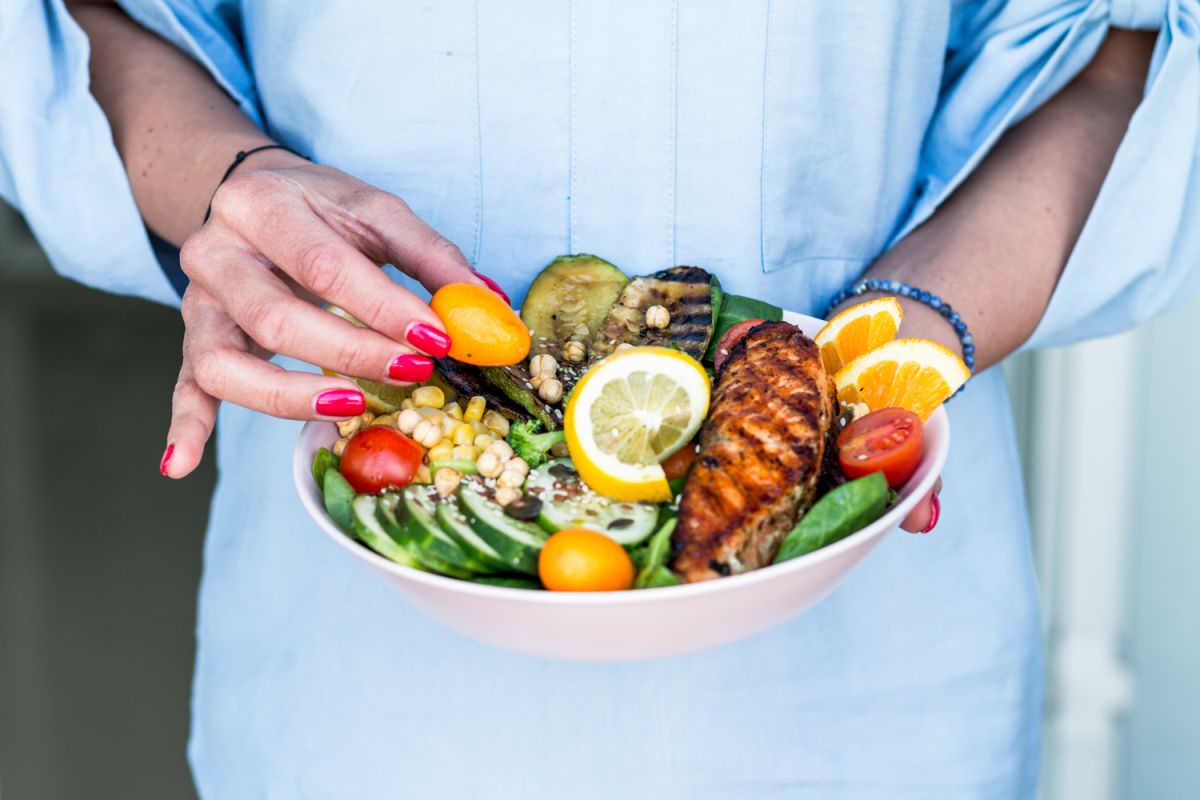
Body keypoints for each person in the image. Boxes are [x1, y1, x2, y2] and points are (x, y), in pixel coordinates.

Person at [3, 1, 1197, 797]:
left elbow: (1121, 49)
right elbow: (92, 19)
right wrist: (237, 188)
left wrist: (902, 336)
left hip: (866, 688)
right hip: (360, 688)